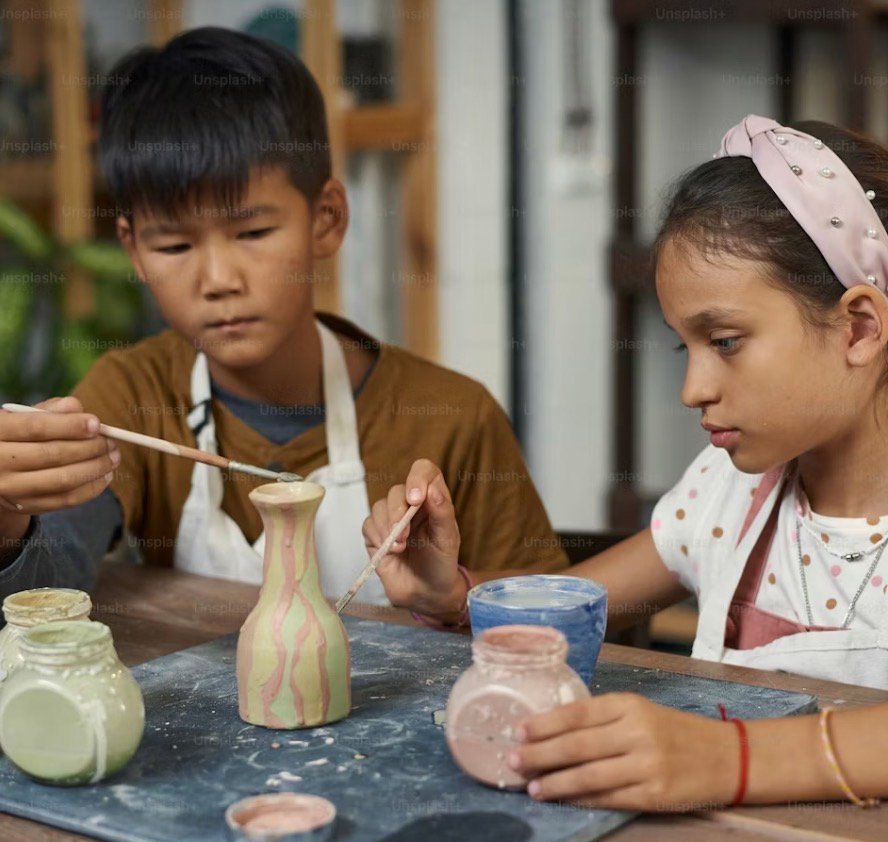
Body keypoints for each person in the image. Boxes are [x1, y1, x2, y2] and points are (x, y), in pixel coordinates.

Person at [362, 116, 888, 811]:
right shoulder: (727, 496)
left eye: (723, 341)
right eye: (681, 347)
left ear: (858, 326)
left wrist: (730, 759)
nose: (693, 387)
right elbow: (569, 603)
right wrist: (454, 592)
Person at [0, 27, 566, 604]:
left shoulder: (449, 419)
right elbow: (49, 587)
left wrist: (453, 599)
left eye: (253, 233)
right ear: (134, 251)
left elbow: (555, 619)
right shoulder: (136, 399)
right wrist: (8, 519)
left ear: (326, 219)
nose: (219, 281)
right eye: (175, 247)